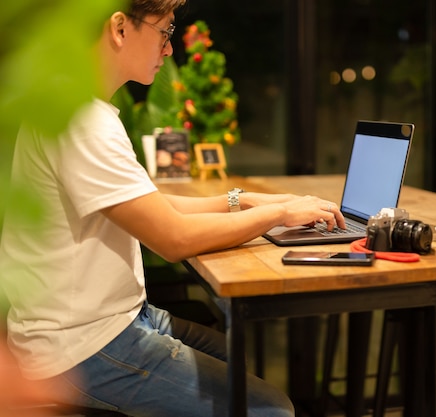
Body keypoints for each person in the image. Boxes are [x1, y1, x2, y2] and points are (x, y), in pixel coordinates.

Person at [0, 1, 345, 416]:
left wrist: (244, 201)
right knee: (273, 410)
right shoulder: (81, 120)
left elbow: (149, 203)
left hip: (116, 319)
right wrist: (277, 215)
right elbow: (173, 239)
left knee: (236, 356)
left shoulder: (78, 105)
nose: (169, 49)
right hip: (81, 347)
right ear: (119, 29)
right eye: (164, 32)